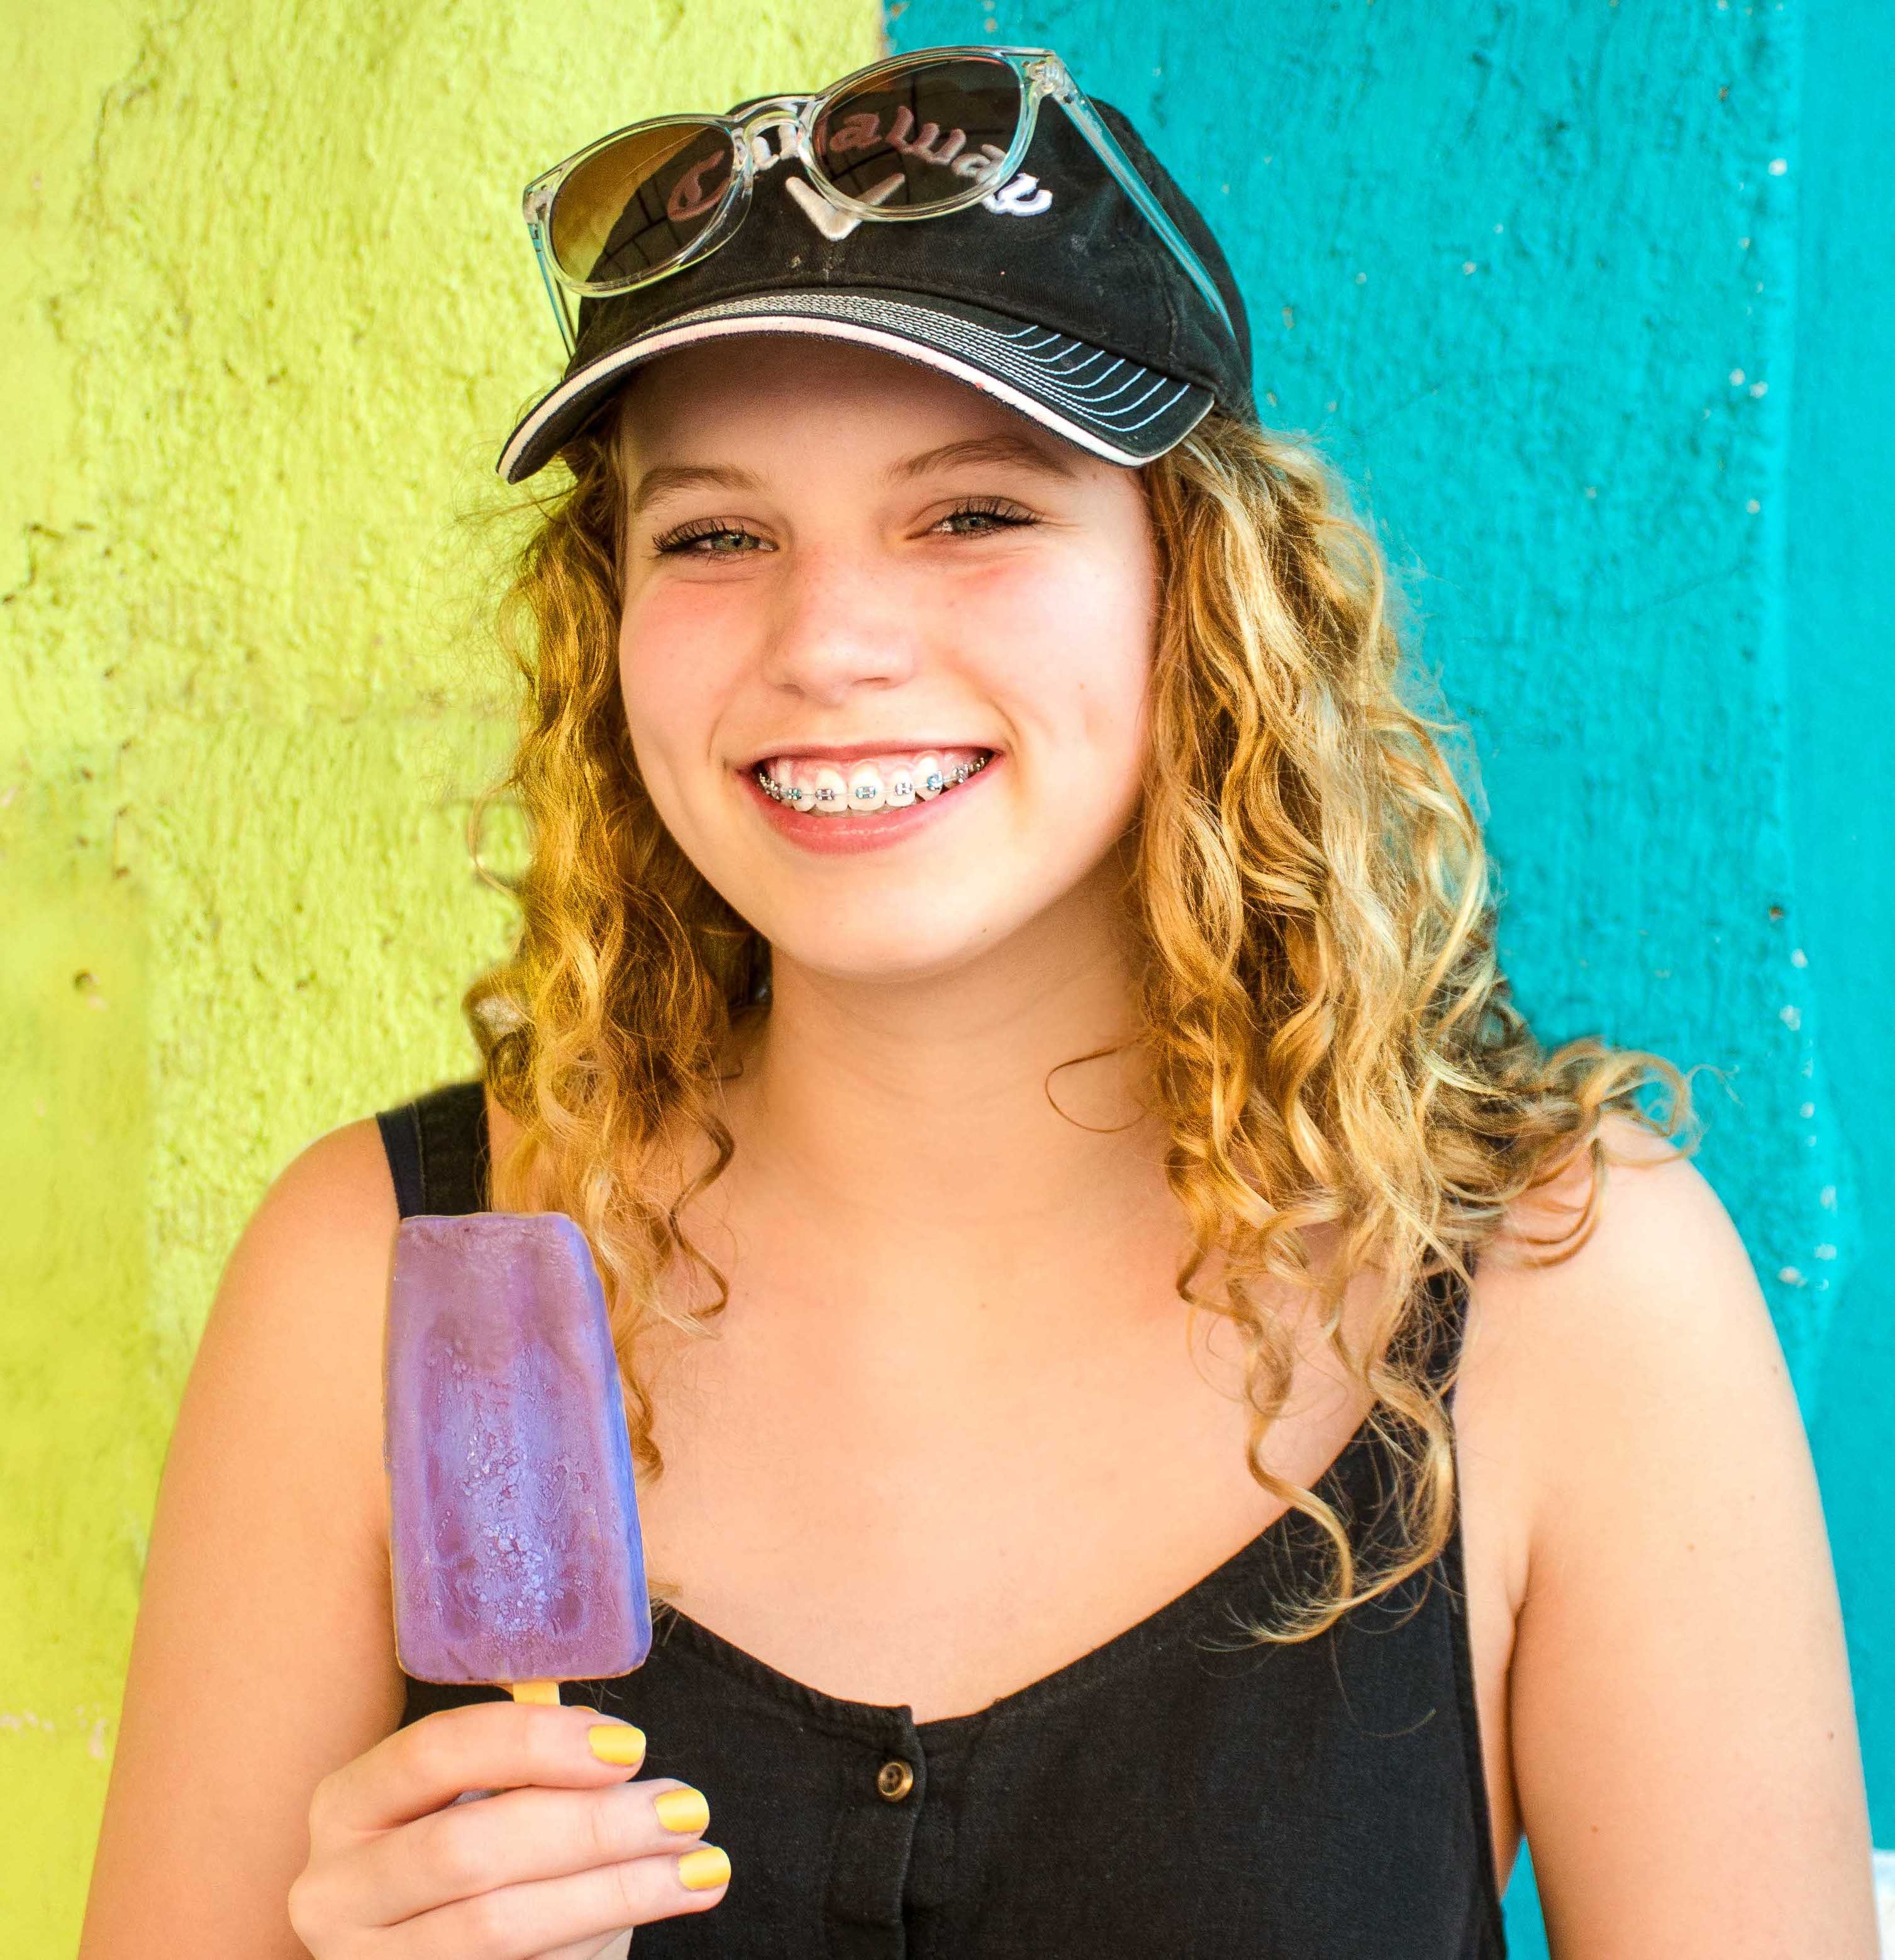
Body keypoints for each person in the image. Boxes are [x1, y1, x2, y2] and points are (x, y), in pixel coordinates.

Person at [81, 45, 1877, 1959]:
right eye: (713, 533)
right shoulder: (370, 1277)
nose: (830, 640)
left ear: (1201, 591)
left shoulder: (1570, 1303)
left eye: (974, 514)